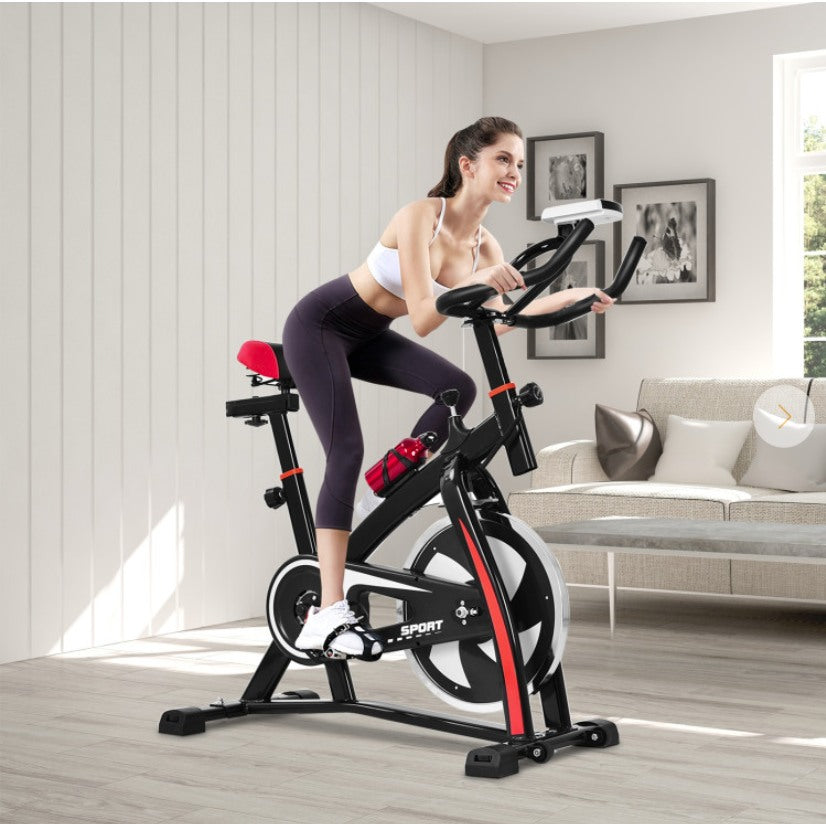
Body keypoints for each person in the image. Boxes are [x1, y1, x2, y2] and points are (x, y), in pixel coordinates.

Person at [282, 116, 614, 660]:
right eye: (503, 159)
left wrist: (577, 297)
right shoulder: (420, 217)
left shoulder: (485, 244)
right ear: (468, 165)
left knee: (457, 389)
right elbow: (421, 316)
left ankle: (387, 483)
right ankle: (327, 613)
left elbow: (506, 317)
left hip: (368, 334)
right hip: (320, 325)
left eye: (519, 164)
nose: (514, 172)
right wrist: (484, 283)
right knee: (344, 449)